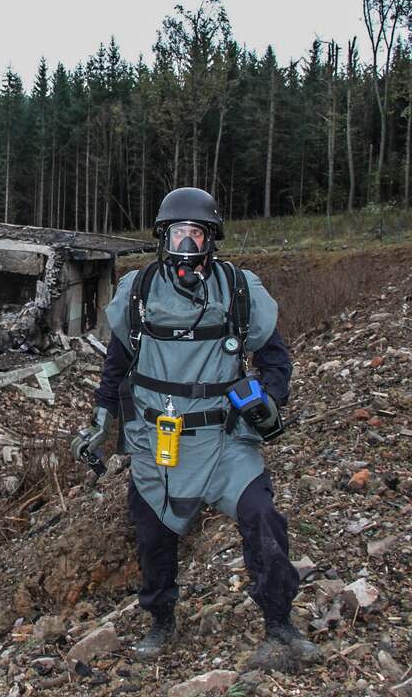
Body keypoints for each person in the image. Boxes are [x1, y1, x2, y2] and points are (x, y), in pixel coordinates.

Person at [71, 187, 321, 664]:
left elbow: (276, 359)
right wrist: (101, 421)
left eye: (197, 234)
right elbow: (116, 367)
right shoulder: (139, 292)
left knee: (262, 517)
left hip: (224, 440)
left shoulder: (239, 290)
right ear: (162, 238)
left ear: (212, 238)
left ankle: (280, 625)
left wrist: (270, 399)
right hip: (158, 442)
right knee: (152, 534)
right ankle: (161, 621)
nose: (186, 243)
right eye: (177, 233)